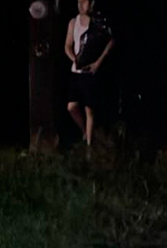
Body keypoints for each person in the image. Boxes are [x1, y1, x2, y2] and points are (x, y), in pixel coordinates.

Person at [65, 0, 115, 147]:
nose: (81, 5)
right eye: (79, 1)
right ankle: (85, 132)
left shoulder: (97, 23)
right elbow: (67, 46)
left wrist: (97, 63)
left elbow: (111, 41)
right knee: (71, 107)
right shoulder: (73, 22)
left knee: (89, 110)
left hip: (90, 72)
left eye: (84, 2)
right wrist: (74, 58)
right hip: (76, 71)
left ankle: (89, 146)